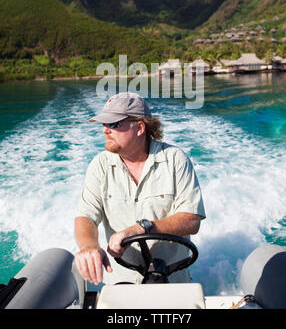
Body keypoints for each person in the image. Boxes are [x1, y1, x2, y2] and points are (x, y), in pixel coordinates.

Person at [74, 92, 205, 285]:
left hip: (173, 280)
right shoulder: (99, 165)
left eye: (114, 124)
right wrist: (88, 246)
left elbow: (191, 220)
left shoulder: (175, 159)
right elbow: (86, 217)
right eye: (104, 124)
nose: (105, 130)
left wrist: (139, 229)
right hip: (121, 283)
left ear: (139, 128)